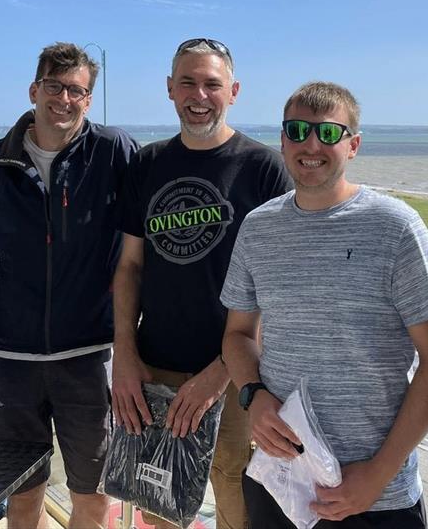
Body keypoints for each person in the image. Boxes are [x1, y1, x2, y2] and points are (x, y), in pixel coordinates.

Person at [220, 81, 428, 528]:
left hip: (375, 497)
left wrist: (378, 474)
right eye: (297, 130)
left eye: (328, 133)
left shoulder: (395, 227)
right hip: (281, 484)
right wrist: (254, 396)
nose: (311, 144)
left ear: (354, 145)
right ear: (283, 140)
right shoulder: (258, 227)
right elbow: (236, 336)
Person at [0, 42, 139, 528]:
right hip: (10, 364)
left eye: (76, 90)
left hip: (90, 360)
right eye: (54, 86)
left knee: (92, 497)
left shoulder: (115, 152)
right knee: (21, 496)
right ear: (34, 89)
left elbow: (147, 242)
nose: (64, 99)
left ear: (88, 99)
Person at [111, 37, 292, 529]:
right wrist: (124, 354)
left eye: (212, 84)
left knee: (234, 483)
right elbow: (129, 266)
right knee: (158, 492)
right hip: (153, 365)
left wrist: (221, 373)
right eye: (187, 82)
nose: (199, 94)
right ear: (169, 89)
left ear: (233, 91)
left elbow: (279, 286)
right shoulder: (147, 164)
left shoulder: (263, 168)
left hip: (235, 370)